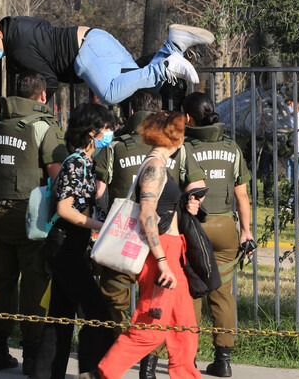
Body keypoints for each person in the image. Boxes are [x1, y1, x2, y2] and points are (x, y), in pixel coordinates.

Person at [94, 89, 205, 379]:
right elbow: (146, 214)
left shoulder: (159, 164)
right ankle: (104, 373)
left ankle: (186, 374)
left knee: (184, 324)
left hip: (172, 249)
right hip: (161, 254)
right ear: (175, 138)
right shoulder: (154, 166)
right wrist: (163, 261)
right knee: (151, 325)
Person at [0, 72, 68, 374]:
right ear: (42, 95)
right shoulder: (43, 126)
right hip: (33, 218)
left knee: (0, 281)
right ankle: (31, 356)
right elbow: (56, 173)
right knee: (34, 281)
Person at [30, 102, 115, 379]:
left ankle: (45, 374)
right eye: (106, 128)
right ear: (92, 132)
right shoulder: (76, 162)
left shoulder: (86, 162)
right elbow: (65, 209)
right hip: (64, 245)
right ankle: (92, 372)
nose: (110, 133)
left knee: (60, 317)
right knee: (95, 312)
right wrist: (100, 226)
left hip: (71, 244)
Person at [0, 16, 214, 104]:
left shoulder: (17, 46)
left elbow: (49, 80)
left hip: (85, 52)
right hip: (98, 40)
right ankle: (173, 45)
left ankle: (165, 66)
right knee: (143, 93)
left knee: (109, 94)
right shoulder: (16, 25)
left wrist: (34, 108)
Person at [180, 91, 254, 377]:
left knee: (192, 292)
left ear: (188, 117)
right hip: (225, 227)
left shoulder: (184, 147)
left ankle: (188, 359)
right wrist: (246, 231)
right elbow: (242, 196)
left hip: (194, 227)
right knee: (222, 294)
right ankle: (223, 361)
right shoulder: (231, 147)